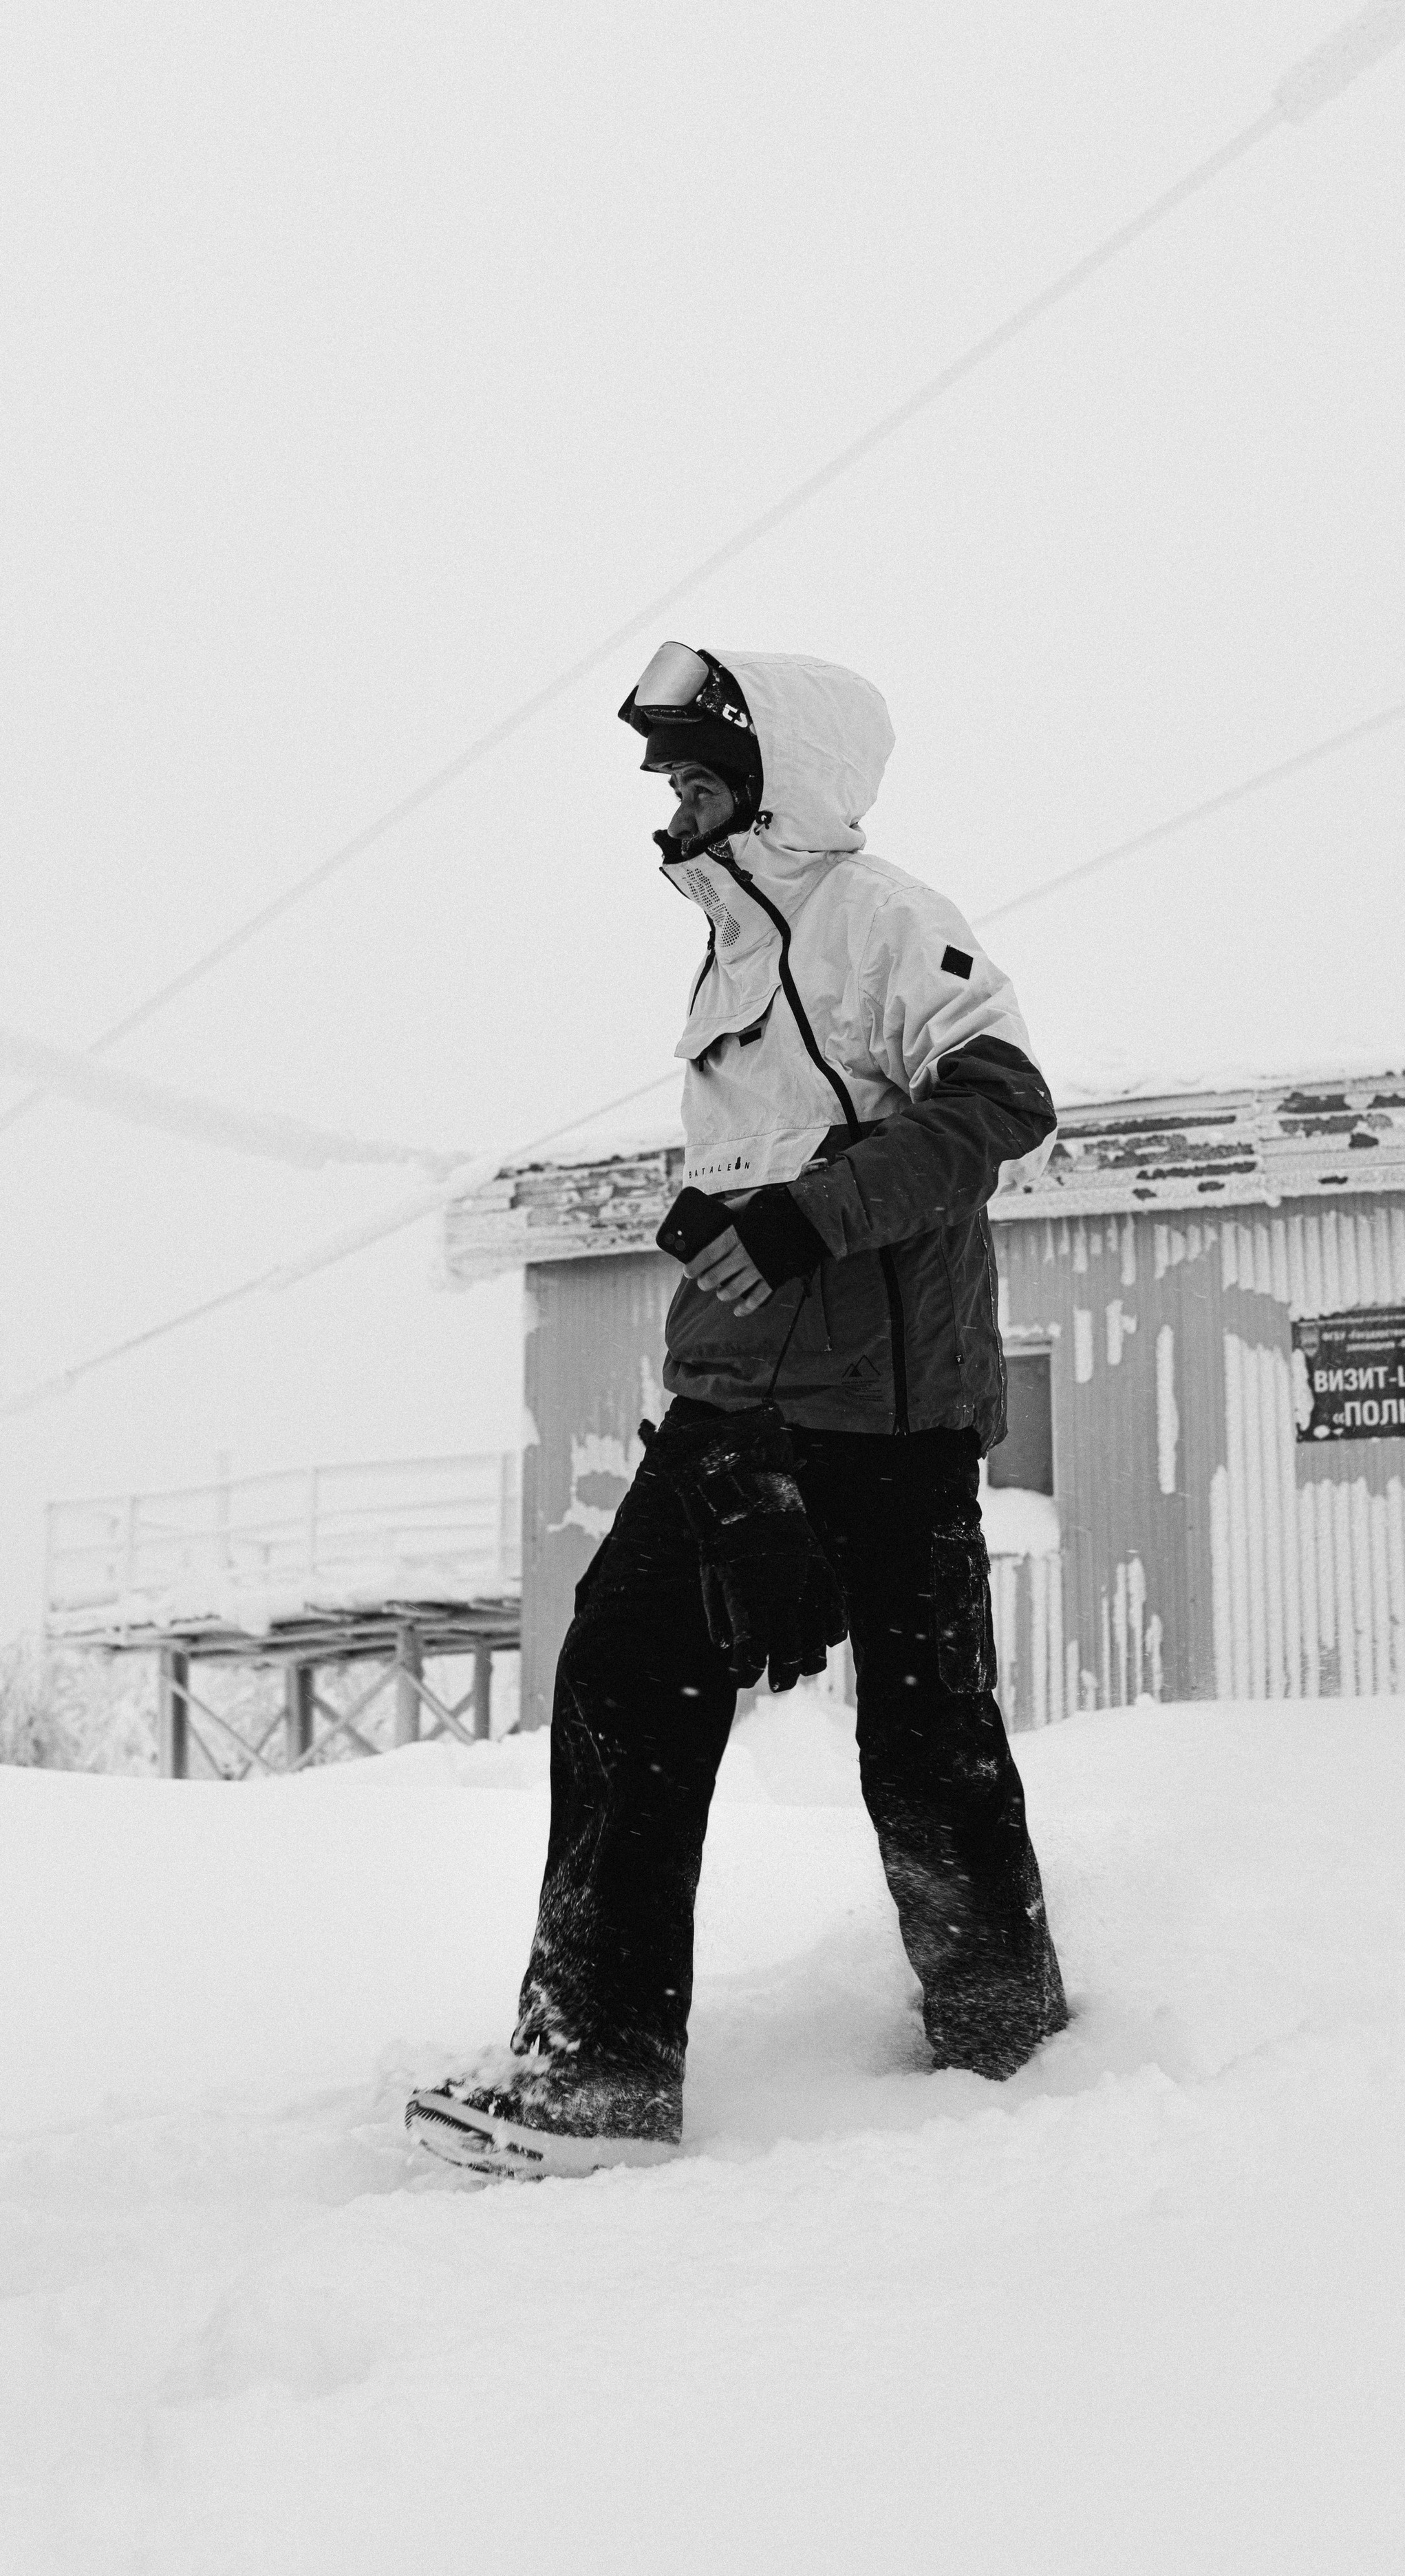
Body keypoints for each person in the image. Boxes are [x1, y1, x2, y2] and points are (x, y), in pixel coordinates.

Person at [409, 644, 1068, 2178]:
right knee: (626, 1691)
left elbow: (998, 1104)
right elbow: (773, 1160)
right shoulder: (727, 953)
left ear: (781, 774)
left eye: (696, 767)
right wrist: (710, 1218)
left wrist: (795, 1222)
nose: (665, 794)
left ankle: (1009, 2043)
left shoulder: (884, 916)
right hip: (739, 1412)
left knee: (925, 1740)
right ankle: (597, 2074)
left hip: (889, 1419)